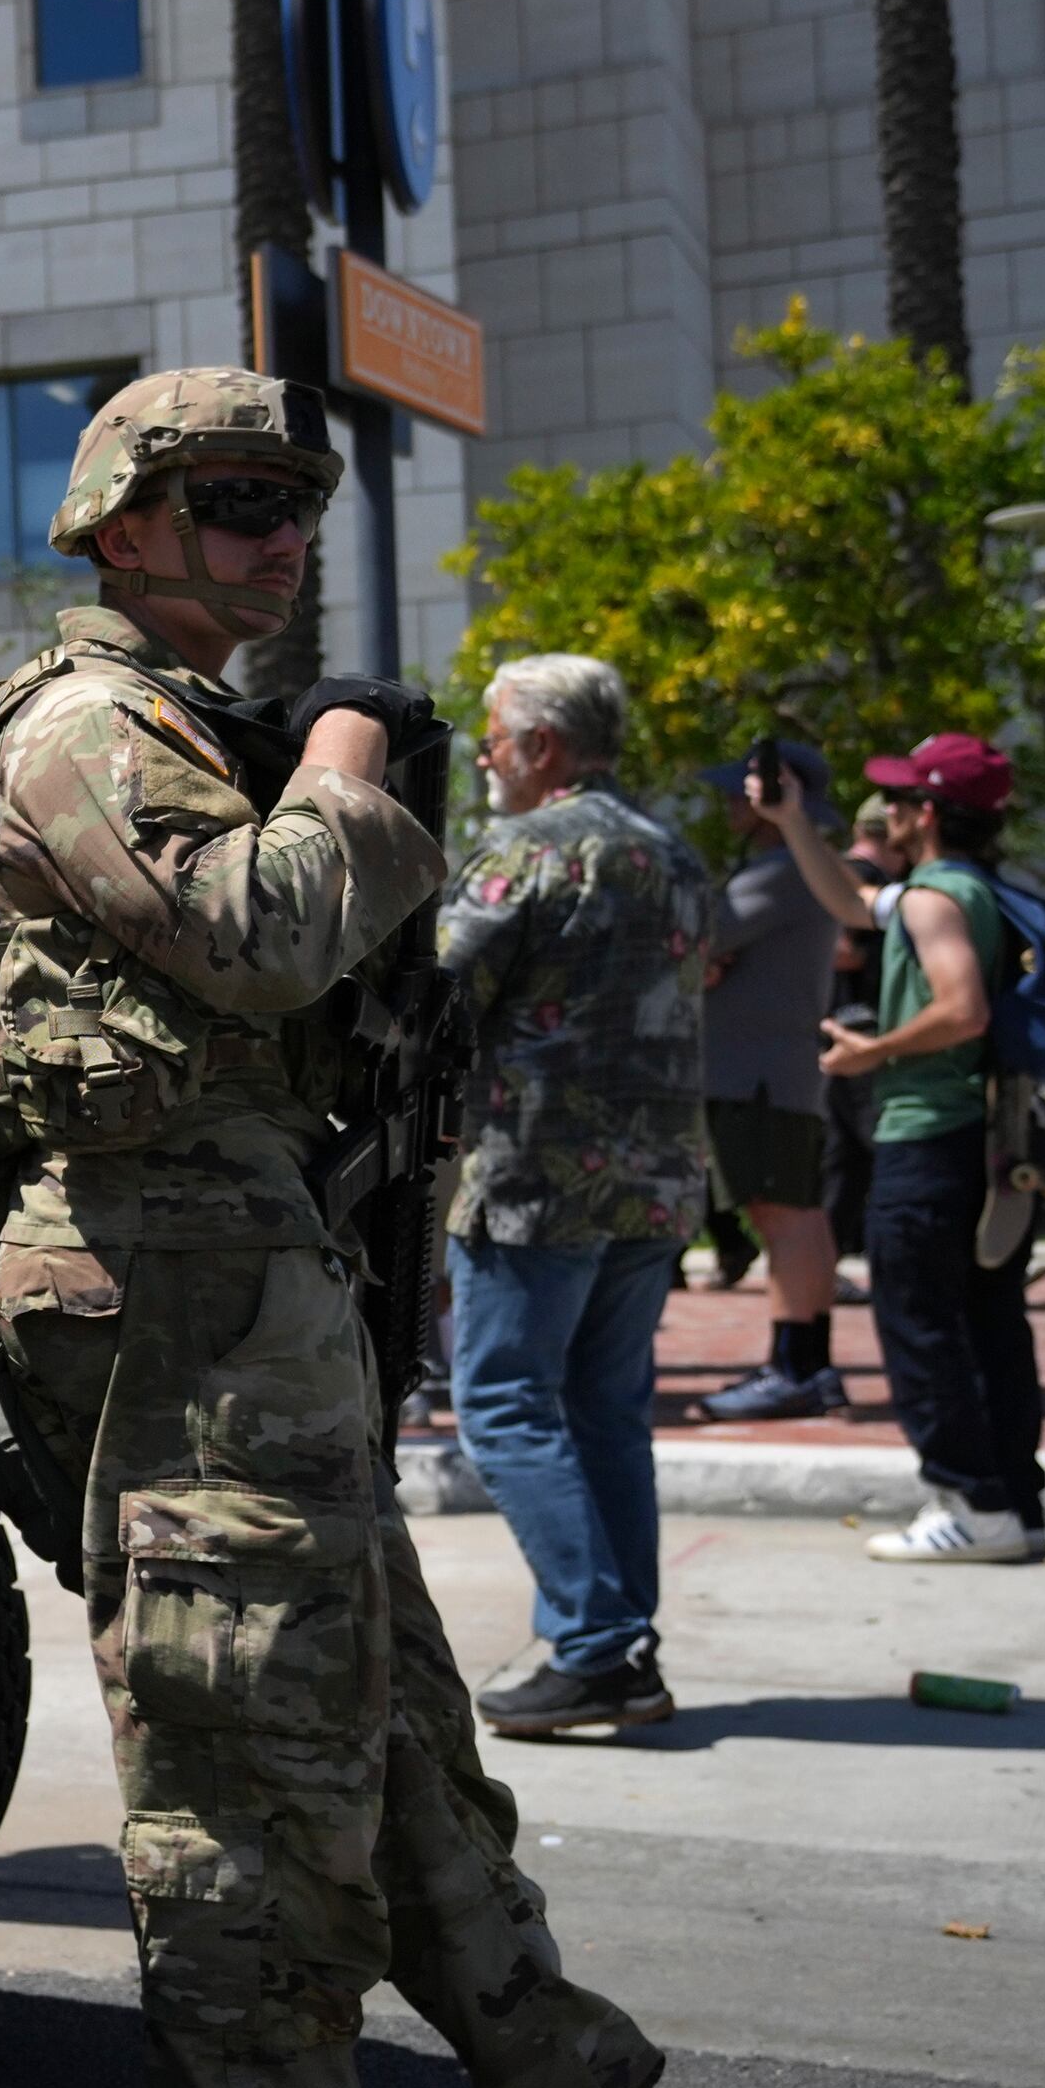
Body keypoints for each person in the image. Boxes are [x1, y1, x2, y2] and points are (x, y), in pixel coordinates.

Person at [0, 368, 914, 2088]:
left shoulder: (193, 722)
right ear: (120, 523)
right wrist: (352, 761)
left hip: (245, 1273)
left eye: (292, 500)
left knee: (382, 1736)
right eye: (229, 498)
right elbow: (264, 934)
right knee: (249, 1753)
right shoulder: (81, 726)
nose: (277, 533)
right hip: (163, 1281)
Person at [436, 657, 717, 1739]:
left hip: (536, 1179)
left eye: (493, 739)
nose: (483, 758)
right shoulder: (673, 854)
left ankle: (596, 1648)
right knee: (607, 1412)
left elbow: (434, 992)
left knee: (504, 1404)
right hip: (655, 1183)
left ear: (540, 747)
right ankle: (620, 1646)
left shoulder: (521, 854)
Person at [820, 733, 1045, 1562]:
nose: (889, 811)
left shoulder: (929, 897)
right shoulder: (968, 889)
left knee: (918, 1322)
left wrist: (867, 1053)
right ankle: (1016, 1504)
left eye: (901, 798)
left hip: (929, 1131)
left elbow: (963, 1010)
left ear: (925, 814)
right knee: (990, 1320)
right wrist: (790, 820)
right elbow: (850, 904)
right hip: (987, 1136)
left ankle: (968, 1501)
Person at [694, 741, 880, 1419]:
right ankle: (807, 1362)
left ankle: (797, 1366)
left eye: (738, 790)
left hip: (759, 1074)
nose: (726, 802)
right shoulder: (793, 868)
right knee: (796, 1214)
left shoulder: (779, 871)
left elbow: (693, 936)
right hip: (773, 1070)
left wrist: (708, 962)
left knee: (783, 1216)